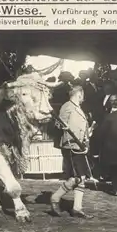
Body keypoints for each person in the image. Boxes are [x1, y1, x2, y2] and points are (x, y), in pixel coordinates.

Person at [50, 86, 94, 219]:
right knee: (77, 177)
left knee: (82, 177)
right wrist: (63, 126)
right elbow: (58, 124)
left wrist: (86, 142)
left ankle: (77, 208)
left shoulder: (78, 108)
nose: (83, 98)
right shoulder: (67, 106)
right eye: (82, 95)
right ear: (79, 94)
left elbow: (83, 128)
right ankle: (55, 198)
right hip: (70, 145)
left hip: (79, 146)